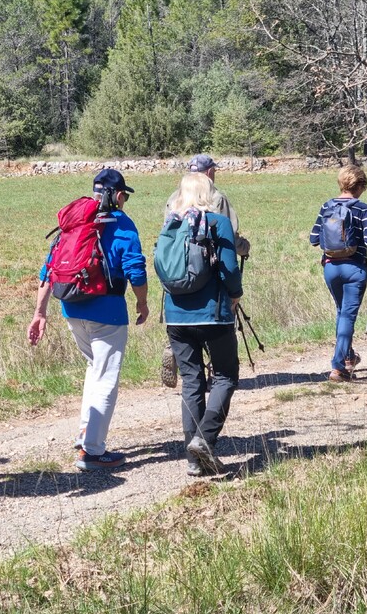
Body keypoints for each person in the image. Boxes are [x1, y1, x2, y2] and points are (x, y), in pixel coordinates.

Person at [26, 169, 151, 470]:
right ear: (118, 195)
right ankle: (92, 451)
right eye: (125, 195)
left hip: (71, 308)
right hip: (108, 313)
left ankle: (85, 433)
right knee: (105, 378)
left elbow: (48, 271)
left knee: (95, 369)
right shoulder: (122, 224)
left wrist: (40, 313)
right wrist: (142, 302)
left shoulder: (76, 221)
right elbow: (135, 270)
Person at [162, 173, 245, 477]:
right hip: (213, 313)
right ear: (208, 193)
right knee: (225, 376)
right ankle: (205, 439)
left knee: (192, 381)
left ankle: (193, 460)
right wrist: (235, 294)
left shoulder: (171, 223)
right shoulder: (218, 222)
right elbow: (229, 268)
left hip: (176, 315)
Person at [161, 155, 248, 388]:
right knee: (217, 321)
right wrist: (243, 248)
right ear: (209, 172)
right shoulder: (216, 197)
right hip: (210, 272)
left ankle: (176, 351)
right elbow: (229, 235)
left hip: (177, 271)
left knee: (184, 324)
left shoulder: (175, 197)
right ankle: (215, 372)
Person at [308, 166, 367, 382]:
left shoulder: (327, 206)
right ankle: (339, 367)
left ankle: (349, 356)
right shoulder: (362, 208)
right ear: (359, 185)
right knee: (348, 315)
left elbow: (313, 239)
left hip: (331, 267)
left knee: (342, 312)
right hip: (354, 268)